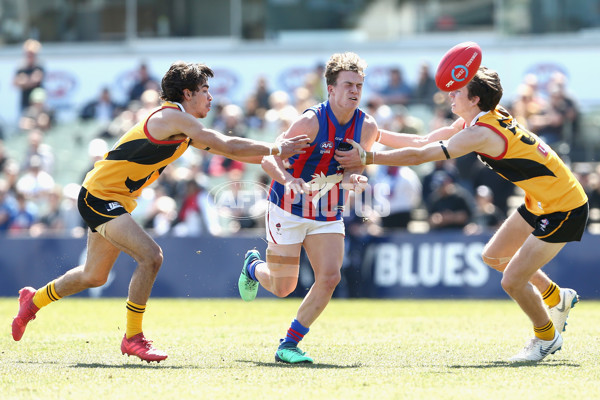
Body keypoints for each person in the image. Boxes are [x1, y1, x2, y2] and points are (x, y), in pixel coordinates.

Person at [11, 61, 310, 363]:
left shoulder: (185, 126)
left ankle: (33, 300)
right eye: (205, 90)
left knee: (93, 276)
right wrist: (277, 147)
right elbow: (226, 143)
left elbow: (238, 152)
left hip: (114, 198)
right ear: (187, 93)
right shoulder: (172, 117)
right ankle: (132, 338)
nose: (210, 97)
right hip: (99, 196)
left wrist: (282, 170)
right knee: (151, 256)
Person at [336, 66, 588, 363]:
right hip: (542, 199)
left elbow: (420, 157)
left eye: (458, 91)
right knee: (493, 256)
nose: (450, 93)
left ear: (476, 99)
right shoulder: (484, 117)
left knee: (511, 281)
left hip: (564, 206)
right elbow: (422, 141)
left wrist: (367, 157)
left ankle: (546, 337)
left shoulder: (480, 132)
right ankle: (556, 298)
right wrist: (374, 134)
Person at [237, 52, 377, 364]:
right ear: (330, 89)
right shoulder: (311, 121)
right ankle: (252, 267)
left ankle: (289, 344)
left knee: (329, 277)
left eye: (359, 85)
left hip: (327, 211)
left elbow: (356, 169)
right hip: (287, 208)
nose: (355, 91)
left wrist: (355, 177)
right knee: (282, 287)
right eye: (348, 85)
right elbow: (268, 158)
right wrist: (288, 180)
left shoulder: (367, 127)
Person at [13, 39, 45, 114]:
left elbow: (36, 80)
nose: (29, 56)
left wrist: (24, 81)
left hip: (37, 103)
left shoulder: (39, 66)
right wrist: (28, 81)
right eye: (28, 53)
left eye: (32, 54)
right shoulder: (20, 67)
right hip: (24, 102)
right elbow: (15, 83)